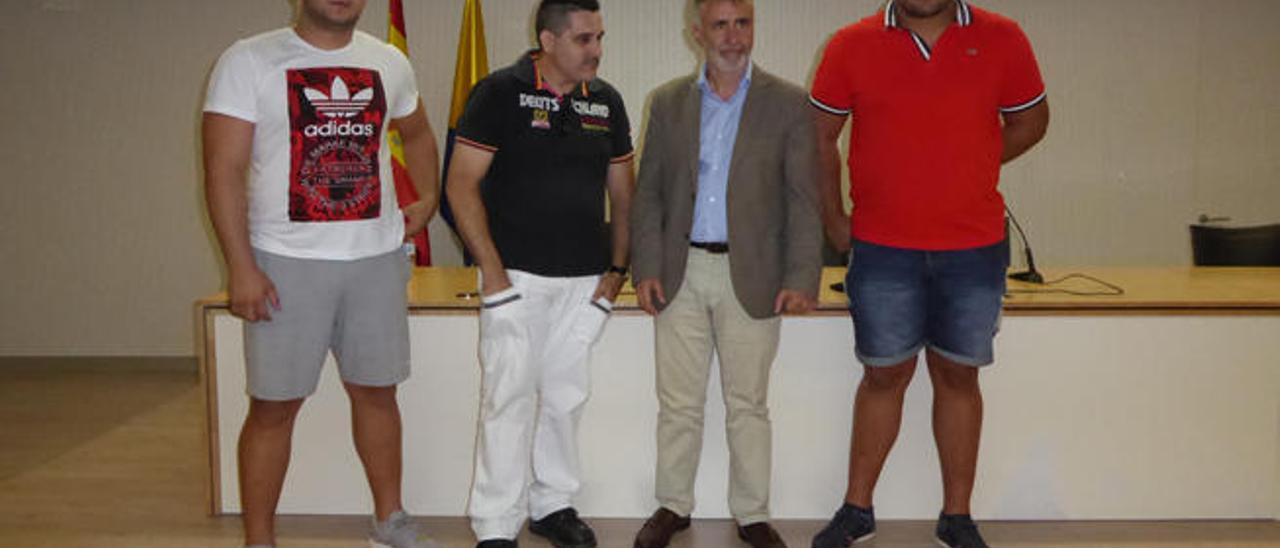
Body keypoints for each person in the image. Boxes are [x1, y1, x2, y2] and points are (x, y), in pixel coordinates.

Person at [807, 1, 1049, 547]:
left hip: (974, 247)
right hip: (883, 248)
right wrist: (833, 218)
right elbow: (819, 136)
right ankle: (857, 508)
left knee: (960, 377)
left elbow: (1032, 120)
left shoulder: (1003, 37)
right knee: (883, 377)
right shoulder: (850, 44)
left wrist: (974, 157)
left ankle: (957, 517)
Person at [202, 0, 441, 547]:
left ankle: (390, 521)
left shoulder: (388, 62)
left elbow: (420, 133)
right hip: (284, 262)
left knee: (378, 393)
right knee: (273, 406)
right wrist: (240, 266)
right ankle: (259, 539)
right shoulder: (249, 60)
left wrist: (426, 199)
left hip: (374, 260)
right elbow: (223, 171)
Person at [628, 1, 822, 547]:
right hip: (680, 269)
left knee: (748, 405)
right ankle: (673, 505)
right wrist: (645, 266)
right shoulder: (667, 103)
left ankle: (753, 513)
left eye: (743, 24)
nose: (734, 38)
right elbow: (648, 196)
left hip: (755, 272)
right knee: (679, 403)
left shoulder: (787, 104)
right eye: (721, 25)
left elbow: (804, 199)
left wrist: (803, 276)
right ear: (697, 33)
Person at [443, 1, 635, 546]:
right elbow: (459, 187)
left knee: (566, 398)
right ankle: (496, 524)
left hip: (584, 280)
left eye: (599, 37)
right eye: (582, 39)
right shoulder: (498, 93)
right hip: (516, 280)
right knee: (507, 399)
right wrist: (494, 274)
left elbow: (624, 194)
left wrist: (618, 267)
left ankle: (553, 505)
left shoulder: (606, 102)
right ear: (547, 41)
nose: (595, 50)